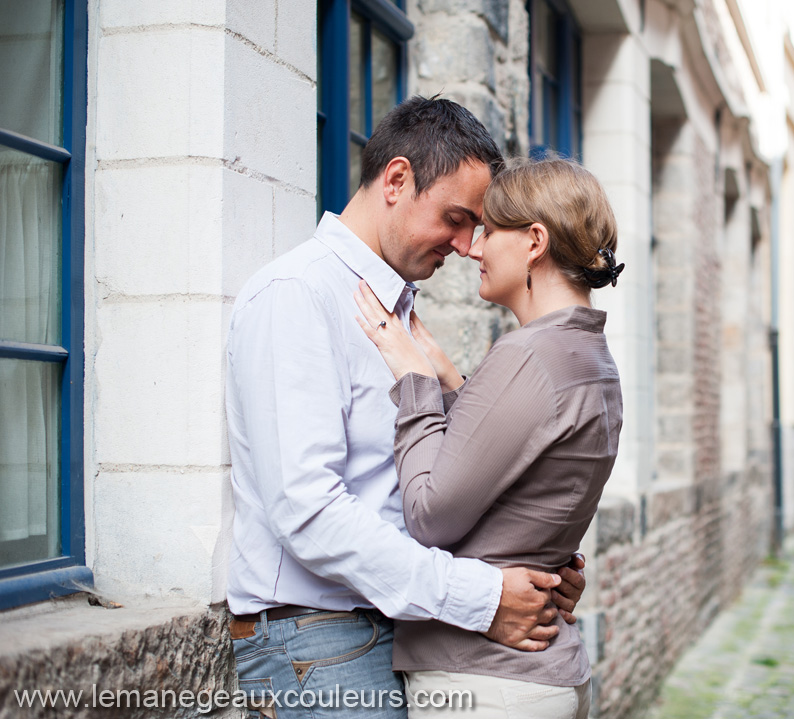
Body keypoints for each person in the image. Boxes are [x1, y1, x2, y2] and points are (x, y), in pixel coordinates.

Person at [224, 97, 585, 718]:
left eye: (477, 226)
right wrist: (481, 595)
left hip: (394, 624)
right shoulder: (297, 296)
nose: (467, 244)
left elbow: (429, 486)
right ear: (396, 180)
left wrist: (530, 555)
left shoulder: (395, 309)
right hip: (319, 637)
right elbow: (307, 510)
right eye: (455, 217)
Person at [352, 158, 625, 718]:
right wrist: (453, 382)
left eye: (489, 231)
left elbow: (430, 514)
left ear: (534, 242)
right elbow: (524, 481)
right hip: (537, 678)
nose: (473, 249)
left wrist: (416, 384)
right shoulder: (590, 357)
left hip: (488, 684)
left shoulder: (528, 356)